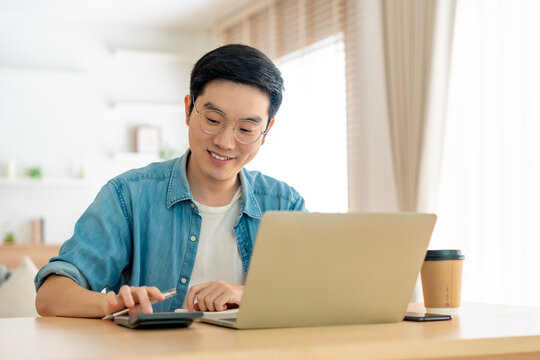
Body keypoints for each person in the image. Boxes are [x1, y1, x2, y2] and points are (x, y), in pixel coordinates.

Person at [34, 44, 306, 318]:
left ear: (266, 131)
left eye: (246, 129)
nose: (225, 142)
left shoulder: (285, 204)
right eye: (213, 119)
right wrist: (114, 304)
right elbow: (50, 296)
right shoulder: (128, 196)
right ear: (188, 110)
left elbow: (316, 293)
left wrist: (248, 295)